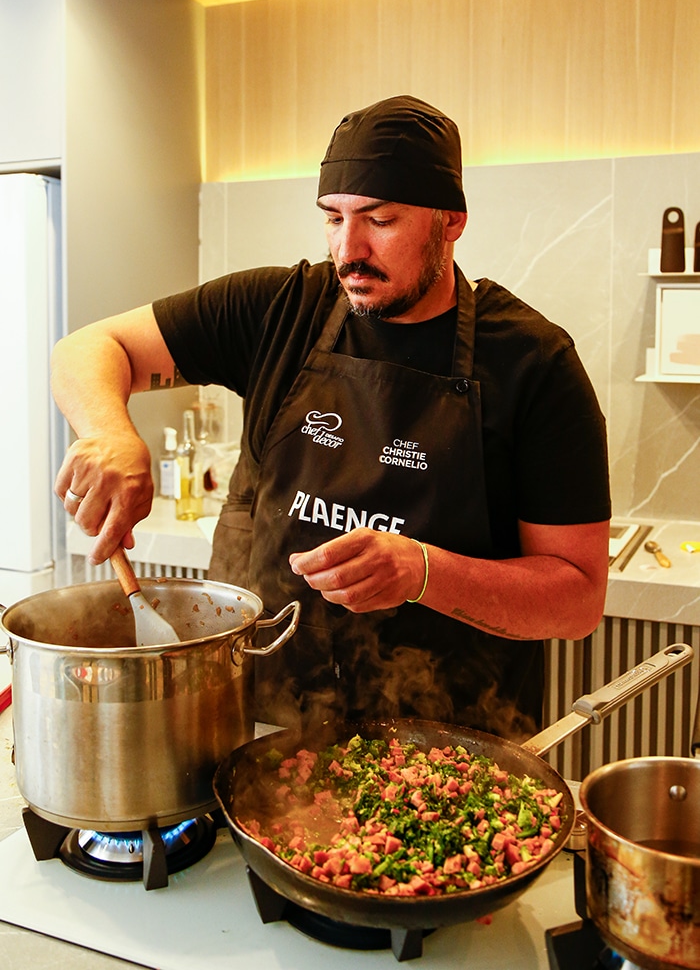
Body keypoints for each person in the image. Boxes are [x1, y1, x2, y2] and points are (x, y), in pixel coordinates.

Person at [51, 95, 611, 740]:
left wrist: (422, 570)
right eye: (333, 218)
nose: (350, 250)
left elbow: (576, 598)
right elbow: (89, 348)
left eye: (380, 220)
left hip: (448, 746)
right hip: (259, 719)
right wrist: (108, 432)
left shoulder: (532, 363)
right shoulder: (278, 309)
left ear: (451, 222)